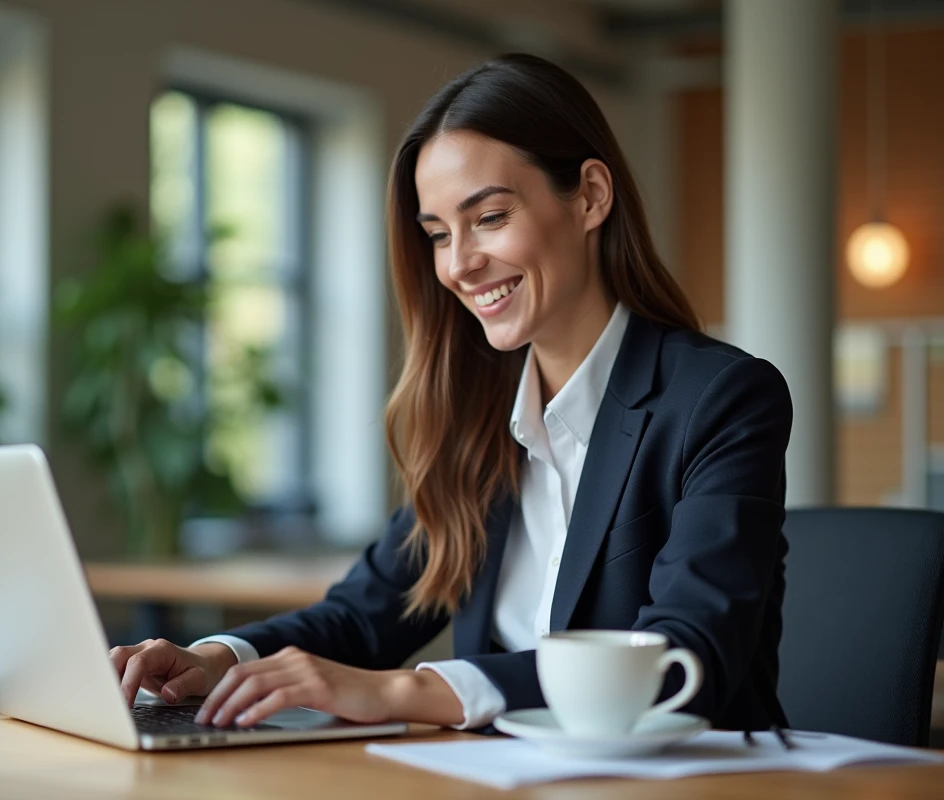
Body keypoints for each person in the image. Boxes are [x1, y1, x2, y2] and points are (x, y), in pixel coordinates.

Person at [111, 53, 792, 733]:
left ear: (589, 195)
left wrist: (402, 693)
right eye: (438, 234)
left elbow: (686, 660)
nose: (459, 264)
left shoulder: (721, 399)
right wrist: (219, 657)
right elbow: (365, 612)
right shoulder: (479, 416)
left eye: (489, 217)